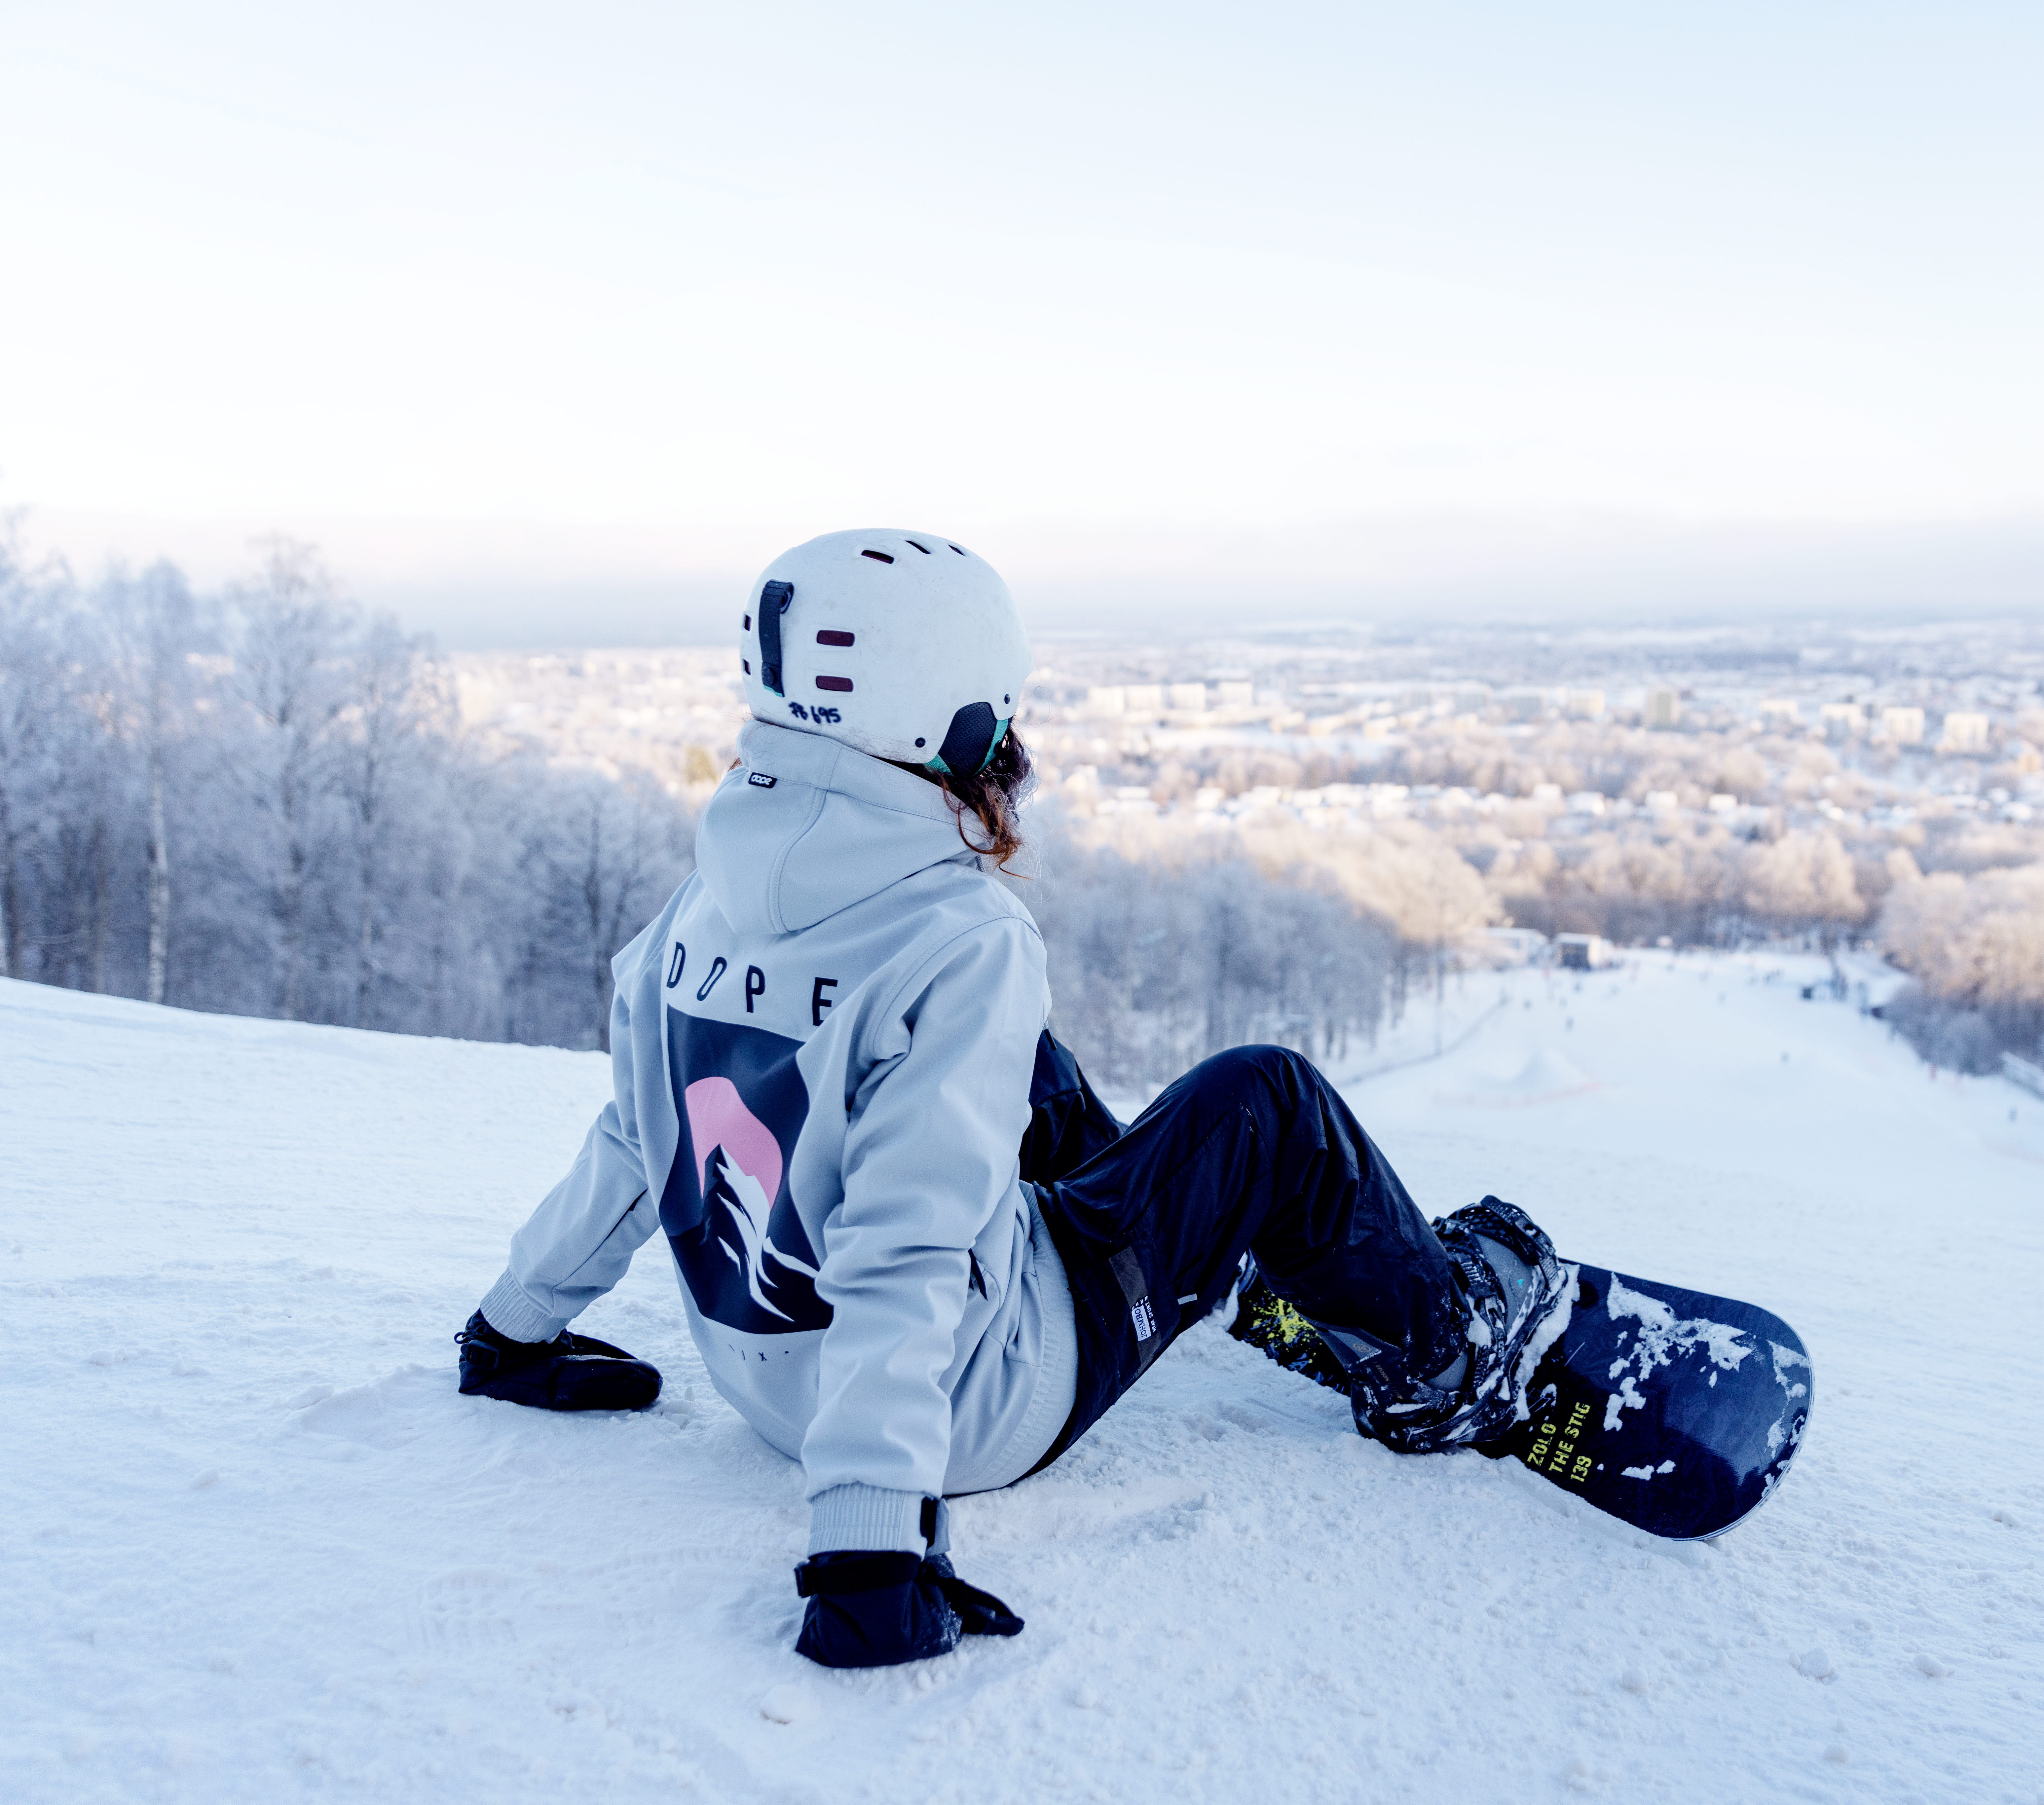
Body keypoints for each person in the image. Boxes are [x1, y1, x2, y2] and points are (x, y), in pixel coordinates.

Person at [454, 529, 1566, 1670]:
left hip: (769, 1382)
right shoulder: (958, 936)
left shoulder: (709, 896)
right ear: (948, 715)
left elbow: (640, 1136)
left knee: (1025, 1064)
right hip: (975, 1402)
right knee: (1264, 1101)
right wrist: (867, 1558)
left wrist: (511, 1331)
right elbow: (906, 1245)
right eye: (1000, 706)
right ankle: (1446, 1365)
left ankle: (1213, 1264)